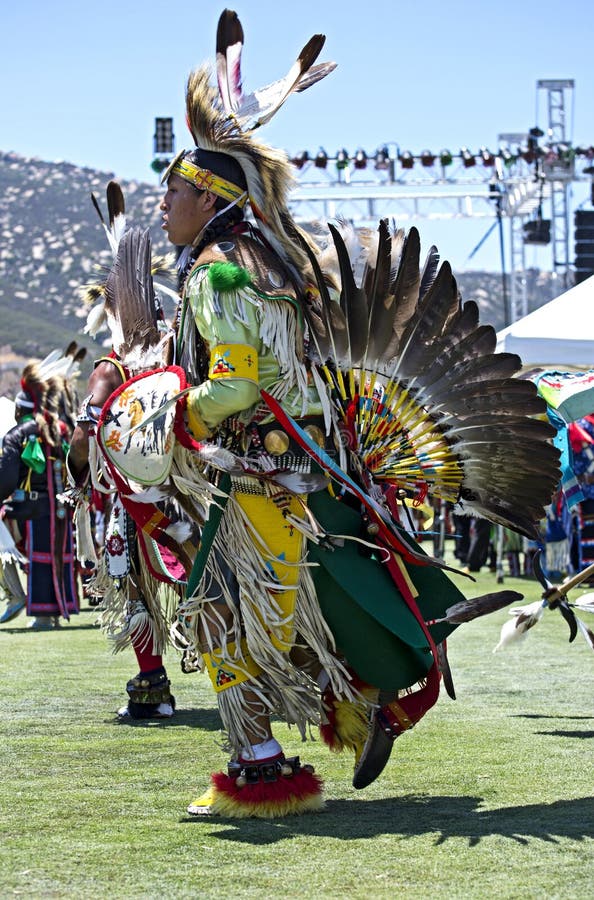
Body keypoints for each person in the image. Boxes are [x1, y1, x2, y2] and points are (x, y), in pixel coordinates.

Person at [136, 9, 560, 819]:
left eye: (174, 192)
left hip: (263, 477)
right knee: (305, 603)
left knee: (224, 612)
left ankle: (262, 772)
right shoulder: (265, 261)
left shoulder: (218, 276)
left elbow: (232, 385)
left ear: (212, 196)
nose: (164, 206)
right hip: (298, 473)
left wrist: (170, 415)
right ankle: (361, 709)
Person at [0, 357, 79, 628]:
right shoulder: (62, 431)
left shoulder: (17, 434)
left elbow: (7, 478)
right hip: (61, 507)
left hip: (30, 509)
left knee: (34, 552)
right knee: (55, 552)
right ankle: (55, 611)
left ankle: (30, 604)